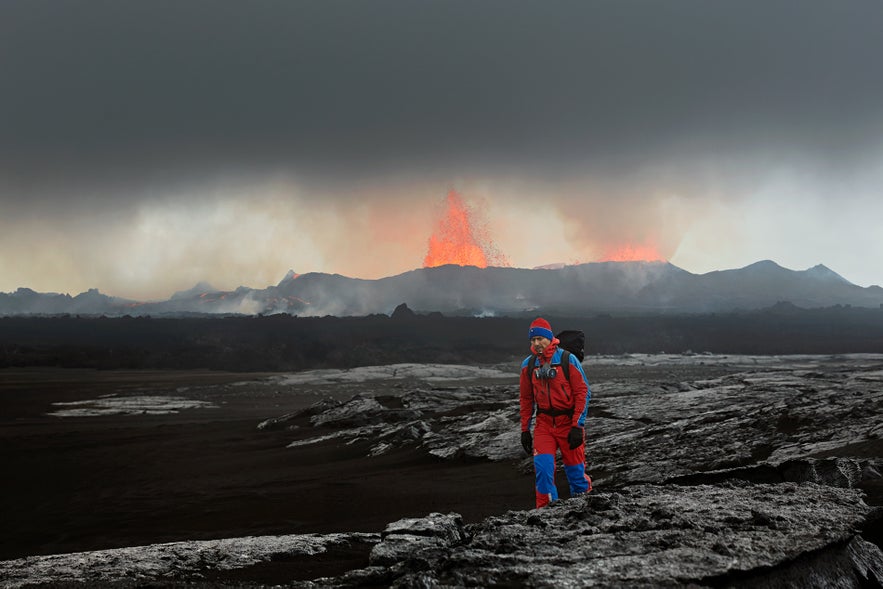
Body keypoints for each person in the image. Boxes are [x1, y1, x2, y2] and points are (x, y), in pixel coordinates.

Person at [519, 317, 592, 508]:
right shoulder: (528, 365)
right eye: (532, 340)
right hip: (544, 425)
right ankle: (546, 514)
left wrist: (577, 425)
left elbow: (583, 392)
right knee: (543, 471)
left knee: (576, 474)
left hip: (568, 424)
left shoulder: (568, 359)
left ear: (549, 338)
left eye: (540, 339)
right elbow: (526, 399)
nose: (536, 344)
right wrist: (525, 429)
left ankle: (584, 509)